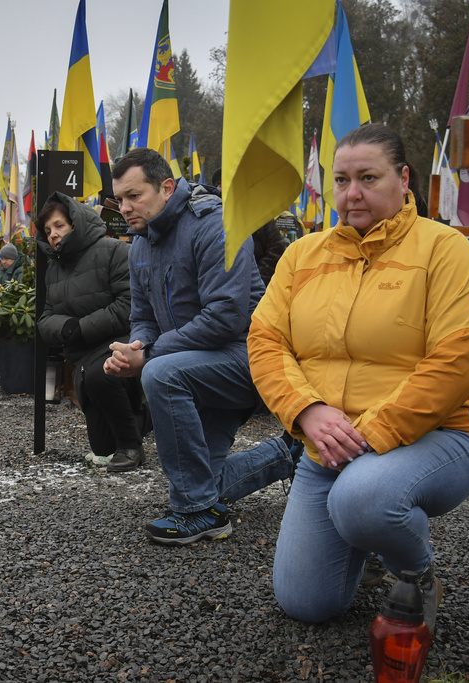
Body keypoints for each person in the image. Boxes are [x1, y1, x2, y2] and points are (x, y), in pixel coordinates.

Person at [250, 124, 469, 634]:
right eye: (341, 179)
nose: (351, 192)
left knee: (362, 498)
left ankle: (414, 569)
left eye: (367, 177)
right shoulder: (302, 255)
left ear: (404, 179)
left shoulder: (444, 250)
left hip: (438, 437)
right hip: (328, 449)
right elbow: (266, 340)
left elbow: (458, 358)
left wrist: (370, 436)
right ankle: (370, 533)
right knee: (305, 603)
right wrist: (307, 412)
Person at [104, 148, 296, 545]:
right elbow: (143, 316)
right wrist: (134, 346)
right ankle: (290, 454)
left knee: (160, 373)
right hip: (195, 367)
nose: (124, 207)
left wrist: (149, 356)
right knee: (202, 480)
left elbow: (225, 318)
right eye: (120, 198)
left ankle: (196, 514)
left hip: (249, 359)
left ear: (167, 187)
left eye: (134, 196)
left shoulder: (214, 225)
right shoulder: (140, 244)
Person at [36, 193, 146, 472]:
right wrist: (67, 328)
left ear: (76, 223)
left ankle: (131, 447)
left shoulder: (113, 250)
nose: (53, 235)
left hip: (119, 345)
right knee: (102, 447)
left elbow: (128, 304)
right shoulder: (53, 268)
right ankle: (154, 415)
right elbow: (45, 318)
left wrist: (80, 327)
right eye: (48, 230)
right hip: (81, 357)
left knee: (102, 373)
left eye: (59, 226)